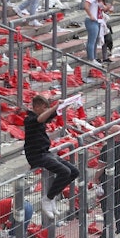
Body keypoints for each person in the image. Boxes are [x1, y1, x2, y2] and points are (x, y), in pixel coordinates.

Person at [24, 95, 80, 223]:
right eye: (44, 108)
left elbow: (49, 116)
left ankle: (52, 195)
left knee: (74, 172)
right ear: (37, 107)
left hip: (46, 152)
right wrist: (55, 106)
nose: (45, 111)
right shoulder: (29, 119)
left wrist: (64, 104)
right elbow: (41, 118)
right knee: (64, 171)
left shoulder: (40, 118)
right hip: (36, 155)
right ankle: (47, 199)